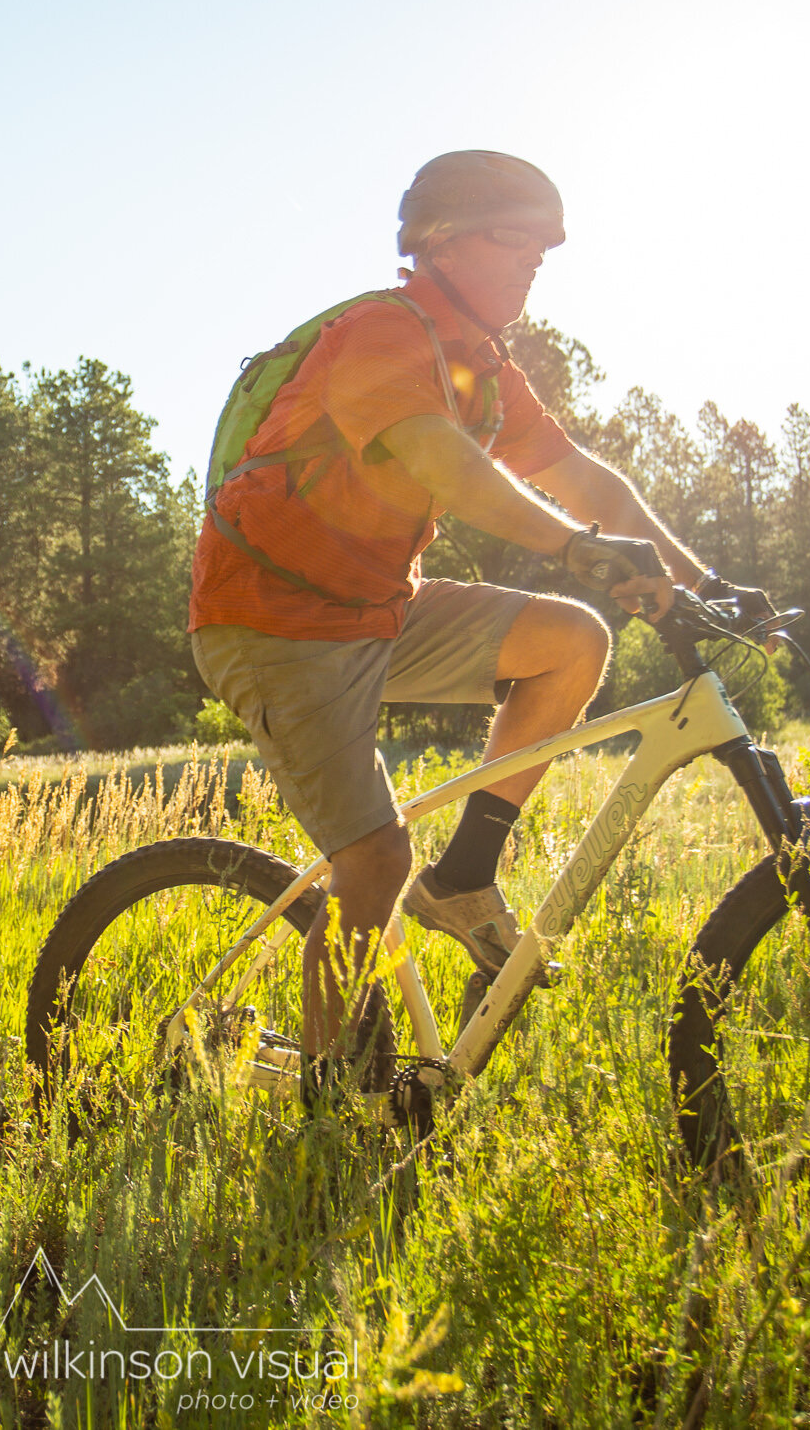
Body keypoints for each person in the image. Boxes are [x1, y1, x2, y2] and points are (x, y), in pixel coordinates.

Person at [188, 150, 761, 1088]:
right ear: (442, 240)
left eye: (545, 245)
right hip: (273, 622)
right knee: (372, 862)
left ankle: (462, 879)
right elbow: (441, 461)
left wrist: (709, 584)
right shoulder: (383, 332)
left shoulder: (485, 370)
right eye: (516, 238)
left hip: (376, 608)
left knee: (573, 641)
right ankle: (336, 1114)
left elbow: (586, 479)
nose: (536, 259)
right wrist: (578, 547)